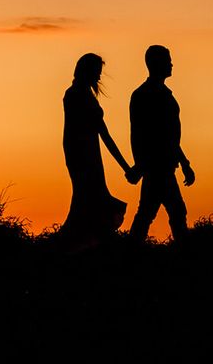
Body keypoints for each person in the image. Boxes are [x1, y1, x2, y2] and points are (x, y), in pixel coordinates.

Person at [60, 52, 136, 242]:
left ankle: (78, 244)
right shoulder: (77, 95)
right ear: (87, 71)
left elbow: (102, 134)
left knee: (87, 201)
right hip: (83, 156)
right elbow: (104, 135)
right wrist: (126, 168)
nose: (99, 77)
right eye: (97, 72)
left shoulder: (80, 94)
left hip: (86, 154)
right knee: (88, 201)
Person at [129, 44, 195, 240]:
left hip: (162, 165)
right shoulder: (146, 95)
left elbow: (170, 137)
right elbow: (142, 134)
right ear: (157, 64)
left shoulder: (161, 94)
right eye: (168, 60)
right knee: (171, 212)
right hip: (157, 165)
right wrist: (142, 164)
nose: (172, 64)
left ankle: (129, 251)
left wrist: (184, 163)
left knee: (151, 212)